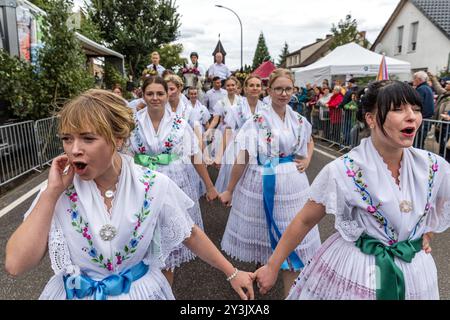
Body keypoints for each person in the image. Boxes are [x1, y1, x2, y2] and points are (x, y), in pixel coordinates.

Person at [5, 89, 255, 300]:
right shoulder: (58, 189)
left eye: (88, 138)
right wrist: (50, 195)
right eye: (67, 139)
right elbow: (15, 265)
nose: (74, 150)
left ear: (119, 138)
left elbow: (189, 233)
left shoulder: (153, 185)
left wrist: (232, 273)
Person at [254, 80, 447, 300]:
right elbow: (305, 220)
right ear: (371, 118)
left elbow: (439, 204)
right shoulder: (343, 170)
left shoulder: (434, 166)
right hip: (360, 270)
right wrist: (272, 265)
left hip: (414, 268)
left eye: (416, 109)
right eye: (398, 109)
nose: (412, 116)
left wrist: (423, 234)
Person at [218, 69, 321, 298]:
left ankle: (289, 294)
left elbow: (309, 142)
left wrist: (307, 158)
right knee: (263, 236)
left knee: (292, 238)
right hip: (261, 180)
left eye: (287, 89)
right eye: (278, 89)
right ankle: (257, 286)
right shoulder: (256, 121)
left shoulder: (299, 120)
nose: (283, 93)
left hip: (292, 184)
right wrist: (229, 189)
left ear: (293, 90)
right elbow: (243, 156)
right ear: (269, 90)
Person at [128, 77, 220, 286]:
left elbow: (194, 155)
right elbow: (122, 155)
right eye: (150, 93)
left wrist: (210, 186)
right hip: (141, 182)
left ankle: (165, 291)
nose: (155, 98)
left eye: (160, 93)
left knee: (167, 244)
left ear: (167, 95)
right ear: (142, 95)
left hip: (173, 181)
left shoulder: (179, 123)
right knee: (143, 239)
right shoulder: (132, 122)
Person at [215, 75, 265, 193]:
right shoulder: (235, 109)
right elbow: (228, 131)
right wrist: (219, 155)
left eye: (258, 85)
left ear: (261, 89)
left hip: (259, 148)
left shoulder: (266, 108)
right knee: (238, 180)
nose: (255, 88)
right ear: (245, 88)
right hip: (238, 147)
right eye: (251, 85)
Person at [206, 76, 243, 167]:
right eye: (228, 85)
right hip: (224, 131)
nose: (230, 87)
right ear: (225, 87)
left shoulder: (242, 101)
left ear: (236, 86)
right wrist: (209, 130)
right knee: (224, 158)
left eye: (233, 85)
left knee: (237, 158)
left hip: (239, 131)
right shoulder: (221, 102)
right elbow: (216, 119)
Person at [413, 71, 434, 148]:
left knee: (417, 142)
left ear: (419, 79)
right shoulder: (427, 88)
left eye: (414, 78)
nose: (413, 80)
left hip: (423, 119)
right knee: (420, 141)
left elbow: (416, 105)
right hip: (426, 119)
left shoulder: (421, 89)